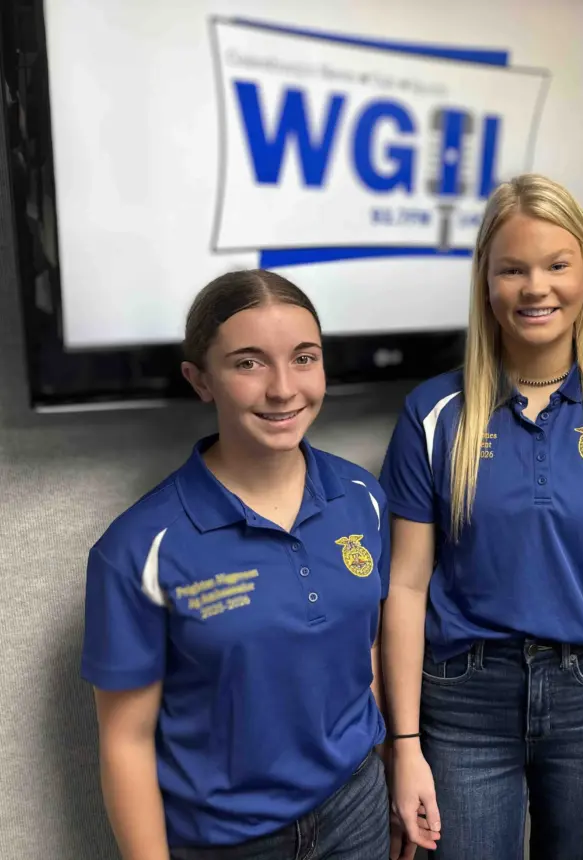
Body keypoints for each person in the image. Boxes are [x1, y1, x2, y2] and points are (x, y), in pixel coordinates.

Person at [379, 174, 583, 860]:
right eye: (512, 269)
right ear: (487, 285)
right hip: (462, 701)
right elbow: (404, 587)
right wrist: (402, 747)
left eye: (556, 266)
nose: (535, 287)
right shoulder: (432, 414)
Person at [81, 270, 393, 860]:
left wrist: (386, 763)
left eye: (304, 358)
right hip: (226, 841)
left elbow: (364, 650)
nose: (283, 389)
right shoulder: (139, 548)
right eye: (248, 363)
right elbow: (125, 743)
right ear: (200, 380)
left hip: (356, 809)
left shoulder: (362, 496)